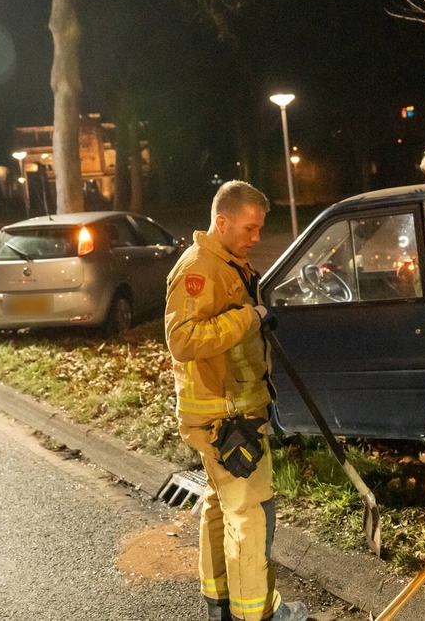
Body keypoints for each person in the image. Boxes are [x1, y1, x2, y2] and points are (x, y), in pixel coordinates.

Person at [165, 180, 308, 621]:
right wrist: (249, 317)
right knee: (250, 514)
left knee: (219, 504)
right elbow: (182, 340)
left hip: (227, 411)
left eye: (260, 228)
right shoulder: (200, 269)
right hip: (226, 418)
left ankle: (221, 604)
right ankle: (256, 614)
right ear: (221, 221)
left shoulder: (226, 262)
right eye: (250, 228)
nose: (256, 237)